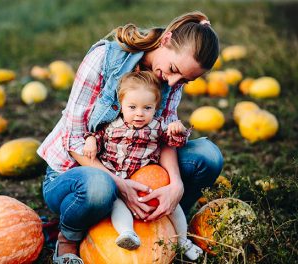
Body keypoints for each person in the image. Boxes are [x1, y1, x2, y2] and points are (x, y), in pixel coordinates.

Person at [37, 11, 223, 263]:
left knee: (208, 156)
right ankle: (67, 239)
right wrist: (120, 185)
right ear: (166, 39)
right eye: (173, 70)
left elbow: (164, 137)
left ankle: (165, 224)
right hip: (78, 172)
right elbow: (74, 140)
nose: (173, 81)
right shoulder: (104, 58)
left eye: (184, 81)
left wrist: (176, 186)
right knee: (100, 187)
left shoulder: (171, 79)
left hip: (134, 166)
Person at [82, 71, 202, 260]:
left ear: (155, 108)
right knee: (116, 205)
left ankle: (183, 241)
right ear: (121, 106)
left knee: (174, 208)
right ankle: (127, 233)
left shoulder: (158, 126)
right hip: (119, 182)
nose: (139, 113)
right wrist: (90, 141)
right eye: (132, 107)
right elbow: (96, 137)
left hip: (147, 182)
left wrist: (177, 130)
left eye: (147, 107)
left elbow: (174, 142)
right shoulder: (111, 126)